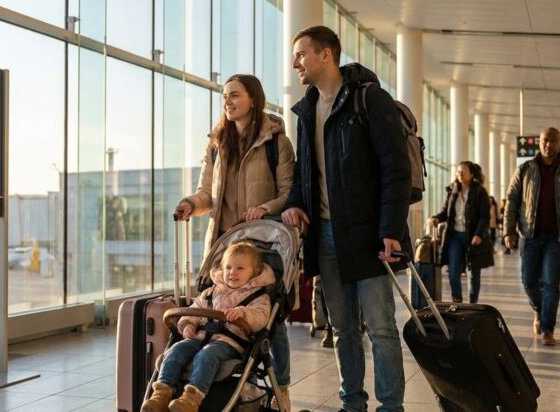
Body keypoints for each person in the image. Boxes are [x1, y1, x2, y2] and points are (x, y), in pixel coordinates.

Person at [281, 25, 411, 412]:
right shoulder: (307, 110)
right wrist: (292, 202)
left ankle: (391, 406)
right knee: (342, 329)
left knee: (383, 328)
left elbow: (395, 170)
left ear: (326, 54)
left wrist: (390, 230)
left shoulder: (369, 99)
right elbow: (307, 172)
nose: (294, 63)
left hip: (369, 234)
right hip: (326, 235)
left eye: (301, 54)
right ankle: (352, 403)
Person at [173, 74, 296, 410]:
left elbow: (288, 193)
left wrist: (266, 209)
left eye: (235, 95)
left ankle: (280, 387)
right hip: (223, 248)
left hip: (263, 247)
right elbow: (205, 193)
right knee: (217, 315)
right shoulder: (217, 144)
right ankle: (220, 387)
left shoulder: (277, 144)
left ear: (254, 100)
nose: (227, 101)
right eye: (224, 96)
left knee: (271, 323)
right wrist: (191, 204)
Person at [141, 242, 275, 412]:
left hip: (229, 343)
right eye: (228, 268)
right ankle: (161, 393)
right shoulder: (211, 292)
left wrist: (244, 313)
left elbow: (261, 317)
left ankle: (192, 399)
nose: (232, 272)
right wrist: (188, 324)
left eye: (240, 268)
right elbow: (195, 309)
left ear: (255, 272)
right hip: (200, 336)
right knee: (176, 349)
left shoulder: (258, 296)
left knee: (206, 355)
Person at [504, 127, 560, 346]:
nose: (549, 144)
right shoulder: (526, 169)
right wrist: (508, 231)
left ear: (558, 143)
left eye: (553, 141)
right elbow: (512, 201)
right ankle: (538, 310)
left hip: (555, 238)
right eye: (546, 140)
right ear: (539, 142)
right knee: (528, 282)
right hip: (530, 235)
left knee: (551, 283)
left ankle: (547, 328)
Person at [428, 161, 494, 304]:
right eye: (458, 171)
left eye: (463, 171)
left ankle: (472, 302)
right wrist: (436, 218)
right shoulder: (453, 190)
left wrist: (478, 234)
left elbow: (484, 217)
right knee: (453, 271)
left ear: (471, 174)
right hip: (455, 237)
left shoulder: (480, 191)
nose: (459, 174)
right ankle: (456, 301)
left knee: (473, 273)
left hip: (472, 237)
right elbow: (446, 212)